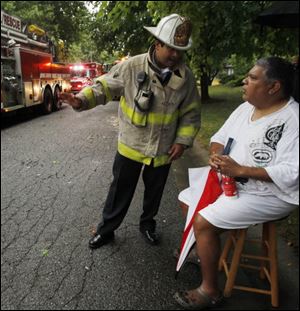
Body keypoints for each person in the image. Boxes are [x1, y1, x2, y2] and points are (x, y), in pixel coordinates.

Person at [59, 14, 201, 249]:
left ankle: (147, 225)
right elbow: (103, 87)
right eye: (172, 49)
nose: (176, 55)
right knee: (119, 191)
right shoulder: (132, 66)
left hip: (164, 149)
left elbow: (191, 113)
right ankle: (106, 231)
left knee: (154, 193)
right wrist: (80, 100)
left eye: (181, 50)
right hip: (131, 146)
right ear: (158, 43)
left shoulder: (186, 77)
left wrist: (183, 141)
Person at [174, 56, 299, 309]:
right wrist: (217, 155)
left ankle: (210, 290)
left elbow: (293, 171)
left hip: (272, 195)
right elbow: (219, 137)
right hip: (234, 182)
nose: (245, 81)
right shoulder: (246, 108)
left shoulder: (292, 120)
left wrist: (241, 169)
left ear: (273, 87)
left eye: (253, 78)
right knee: (187, 199)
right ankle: (204, 251)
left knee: (203, 222)